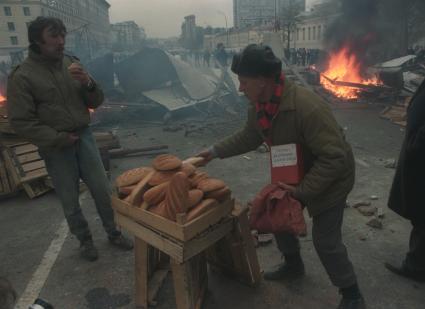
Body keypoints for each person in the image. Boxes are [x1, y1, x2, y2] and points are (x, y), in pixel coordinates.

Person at [198, 44, 365, 309]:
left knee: (326, 241)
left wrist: (301, 192)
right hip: (295, 173)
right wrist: (213, 152)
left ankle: (352, 294)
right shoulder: (259, 105)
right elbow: (250, 136)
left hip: (331, 177)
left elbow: (335, 158)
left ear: (262, 81)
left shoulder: (306, 106)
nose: (240, 88)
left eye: (243, 81)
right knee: (275, 211)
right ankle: (293, 265)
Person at [7, 17, 133, 262]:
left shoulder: (71, 64)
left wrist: (87, 82)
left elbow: (95, 101)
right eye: (54, 36)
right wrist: (57, 138)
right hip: (56, 146)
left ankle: (114, 232)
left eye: (63, 35)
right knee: (69, 198)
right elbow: (21, 122)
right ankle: (85, 240)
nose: (61, 41)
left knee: (103, 189)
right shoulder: (22, 77)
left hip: (84, 138)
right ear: (36, 40)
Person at [385, 80, 425, 282]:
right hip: (417, 156)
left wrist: (415, 144)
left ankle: (415, 266)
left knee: (421, 214)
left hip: (420, 159)